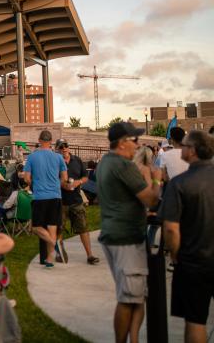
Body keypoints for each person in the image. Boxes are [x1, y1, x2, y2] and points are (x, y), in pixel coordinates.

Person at [97, 122, 162, 343]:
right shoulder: (124, 166)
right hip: (126, 239)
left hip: (112, 234)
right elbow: (151, 200)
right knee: (128, 298)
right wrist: (156, 178)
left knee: (135, 297)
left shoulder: (105, 162)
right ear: (123, 143)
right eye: (135, 140)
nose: (138, 144)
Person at [161, 130, 214, 343]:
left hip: (193, 263)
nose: (180, 148)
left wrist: (175, 256)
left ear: (192, 151)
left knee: (195, 320)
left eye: (183, 145)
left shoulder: (179, 183)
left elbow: (171, 229)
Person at [23, 130, 67, 268]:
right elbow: (64, 178)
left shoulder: (32, 157)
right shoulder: (58, 157)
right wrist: (56, 185)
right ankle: (50, 259)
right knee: (52, 227)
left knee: (36, 227)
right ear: (51, 141)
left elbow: (26, 178)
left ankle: (54, 246)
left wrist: (34, 184)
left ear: (39, 140)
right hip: (55, 196)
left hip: (40, 196)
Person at [55, 138, 99, 265]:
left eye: (65, 145)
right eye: (61, 146)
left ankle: (90, 255)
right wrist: (62, 184)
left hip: (76, 200)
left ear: (68, 147)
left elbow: (85, 177)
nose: (64, 148)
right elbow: (51, 178)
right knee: (59, 229)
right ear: (57, 149)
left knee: (83, 228)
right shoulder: (55, 162)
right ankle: (60, 254)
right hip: (60, 201)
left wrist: (78, 182)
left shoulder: (77, 160)